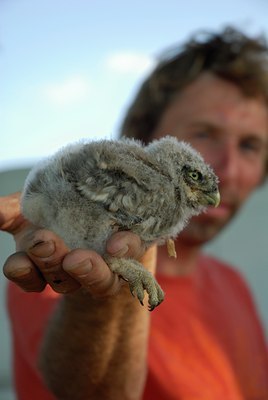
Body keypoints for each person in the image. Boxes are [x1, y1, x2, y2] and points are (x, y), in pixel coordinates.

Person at [1, 26, 268, 399]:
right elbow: (92, 391)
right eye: (205, 133)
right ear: (145, 137)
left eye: (251, 145)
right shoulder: (49, 260)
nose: (228, 168)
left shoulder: (233, 283)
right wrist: (105, 288)